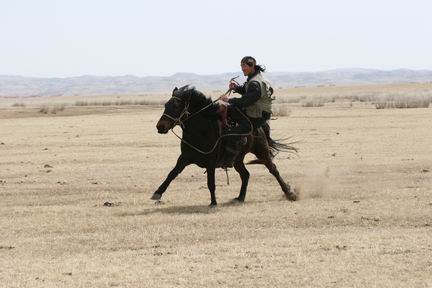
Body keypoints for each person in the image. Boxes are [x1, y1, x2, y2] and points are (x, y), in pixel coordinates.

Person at [219, 56, 274, 168]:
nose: (242, 68)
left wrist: (228, 100)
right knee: (229, 109)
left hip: (256, 115)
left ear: (252, 65)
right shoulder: (256, 77)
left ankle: (228, 160)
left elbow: (246, 101)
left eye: (244, 66)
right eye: (241, 66)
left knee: (230, 134)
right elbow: (248, 92)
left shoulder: (255, 82)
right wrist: (237, 88)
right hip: (260, 111)